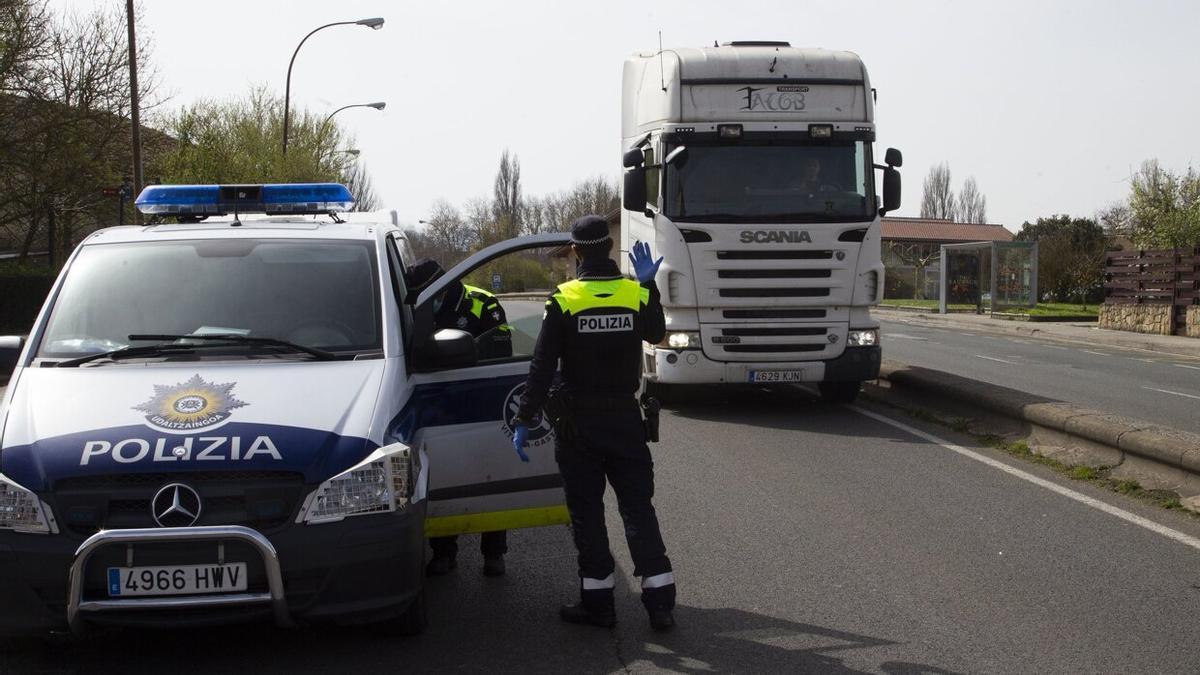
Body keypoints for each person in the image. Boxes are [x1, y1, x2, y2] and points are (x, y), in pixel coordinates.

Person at [510, 215, 676, 631]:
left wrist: (525, 417)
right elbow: (658, 335)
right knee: (638, 509)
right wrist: (648, 285)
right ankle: (660, 605)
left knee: (587, 515)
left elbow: (542, 366)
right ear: (609, 250)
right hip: (625, 420)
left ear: (578, 252)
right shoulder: (634, 294)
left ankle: (599, 606)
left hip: (578, 426)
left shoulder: (564, 299)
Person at [405, 258, 512, 577]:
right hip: (438, 405)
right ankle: (443, 552)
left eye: (430, 293)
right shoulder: (417, 309)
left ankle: (494, 553)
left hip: (483, 401)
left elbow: (501, 353)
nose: (427, 299)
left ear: (445, 285)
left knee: (490, 477)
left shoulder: (482, 303)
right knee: (442, 477)